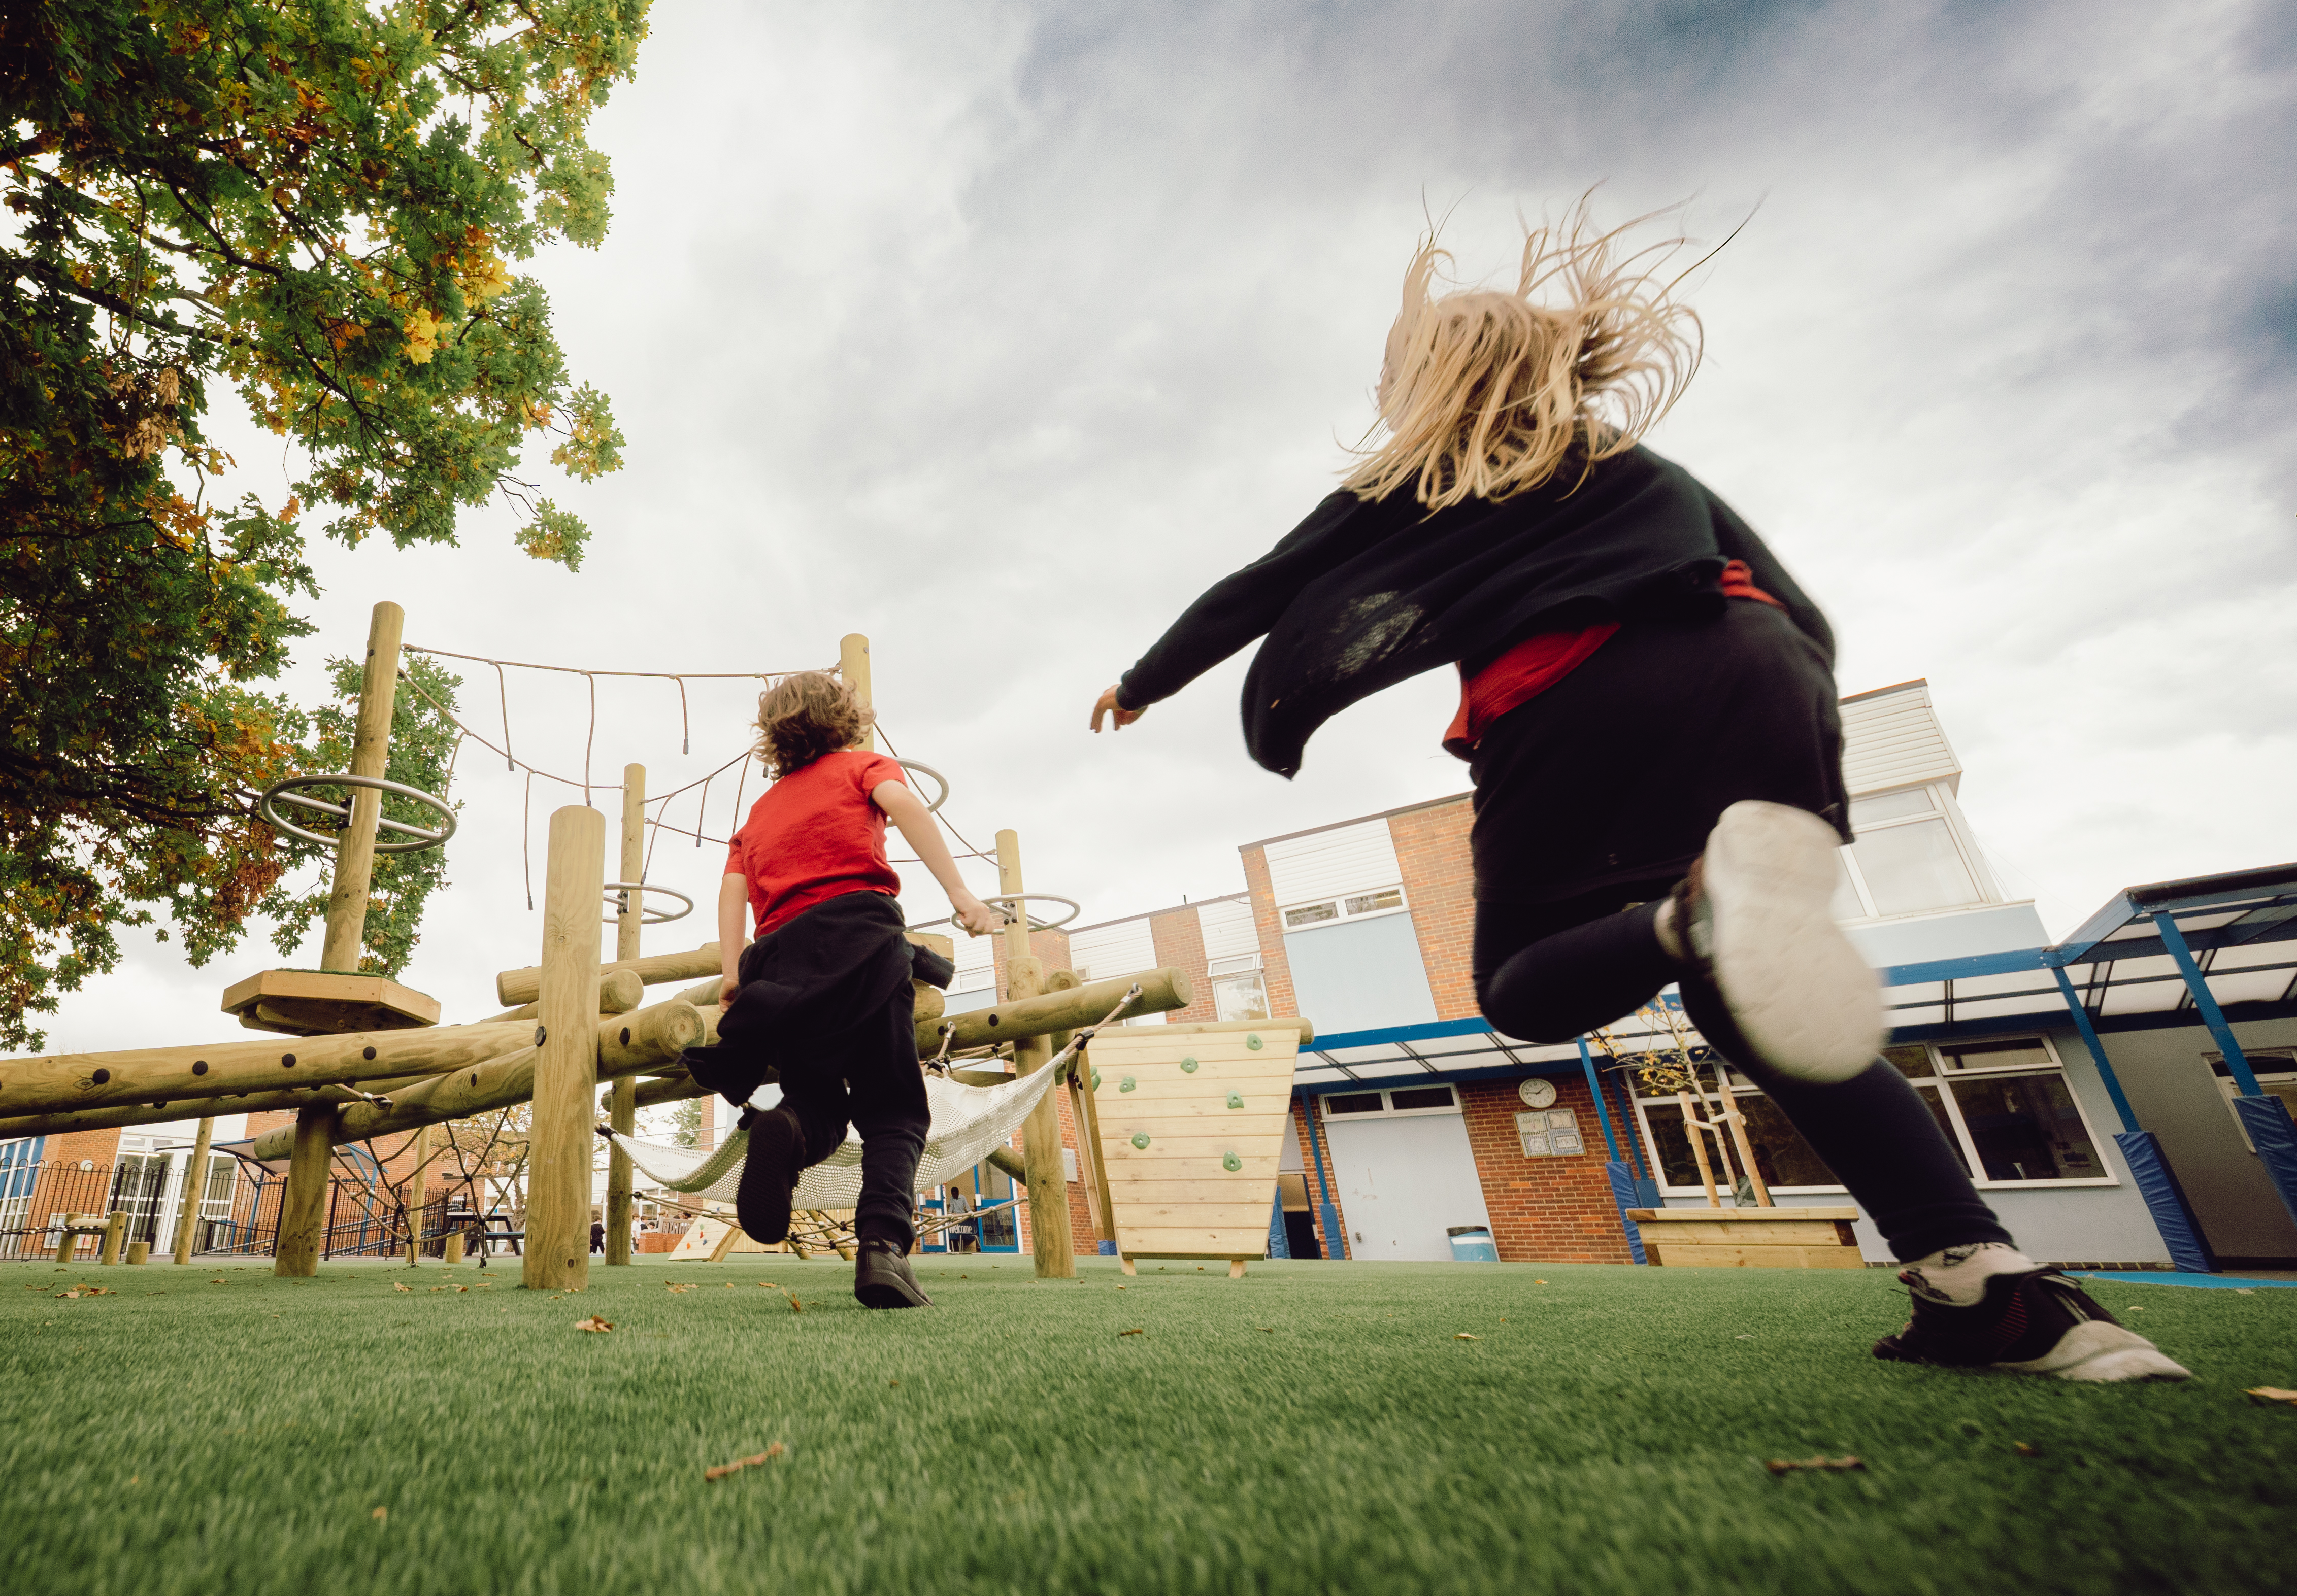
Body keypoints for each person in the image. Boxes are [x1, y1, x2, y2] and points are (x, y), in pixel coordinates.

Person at [1091, 211, 2185, 1383]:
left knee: (1521, 990)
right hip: (1759, 670)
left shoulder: (1413, 471)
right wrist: (1793, 737)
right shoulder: (1641, 465)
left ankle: (1687, 919)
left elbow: (1261, 586)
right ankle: (1987, 1284)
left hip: (1575, 692)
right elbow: (1800, 607)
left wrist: (1143, 681)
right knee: (1750, 1002)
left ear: (1427, 382)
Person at [687, 672, 1002, 1310]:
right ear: (848, 721)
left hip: (781, 962)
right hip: (860, 940)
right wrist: (961, 894)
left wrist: (732, 974)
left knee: (817, 1098)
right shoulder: (864, 765)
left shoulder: (759, 812)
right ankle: (882, 1248)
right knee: (894, 1110)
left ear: (773, 738)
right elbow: (907, 805)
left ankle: (788, 1129)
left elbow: (731, 890)